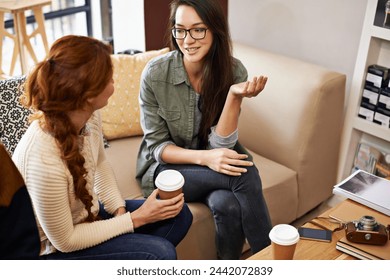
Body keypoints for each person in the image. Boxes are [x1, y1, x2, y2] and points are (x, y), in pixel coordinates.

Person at [12, 35, 192, 260]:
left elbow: (99, 163)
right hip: (51, 252)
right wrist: (135, 220)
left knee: (178, 214)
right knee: (160, 254)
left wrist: (119, 209)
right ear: (88, 96)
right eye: (109, 76)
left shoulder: (88, 116)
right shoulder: (42, 160)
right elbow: (65, 240)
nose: (114, 80)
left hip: (87, 217)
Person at [136, 0, 272, 259]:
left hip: (211, 168)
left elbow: (220, 149)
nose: (187, 40)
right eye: (180, 30)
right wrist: (205, 158)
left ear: (215, 30)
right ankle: (272, 262)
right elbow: (157, 148)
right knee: (245, 173)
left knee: (227, 204)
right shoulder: (155, 74)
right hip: (167, 171)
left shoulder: (233, 71)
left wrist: (233, 95)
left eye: (198, 30)